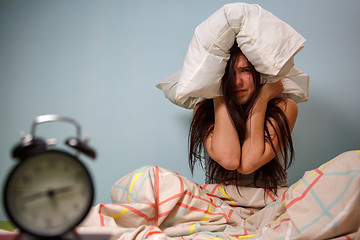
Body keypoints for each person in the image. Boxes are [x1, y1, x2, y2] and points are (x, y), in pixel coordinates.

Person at [189, 42, 298, 194]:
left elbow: (248, 163)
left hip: (270, 204)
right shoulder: (204, 110)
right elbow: (229, 159)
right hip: (219, 205)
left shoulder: (285, 107)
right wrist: (217, 92)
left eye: (245, 70)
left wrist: (261, 99)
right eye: (228, 74)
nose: (237, 82)